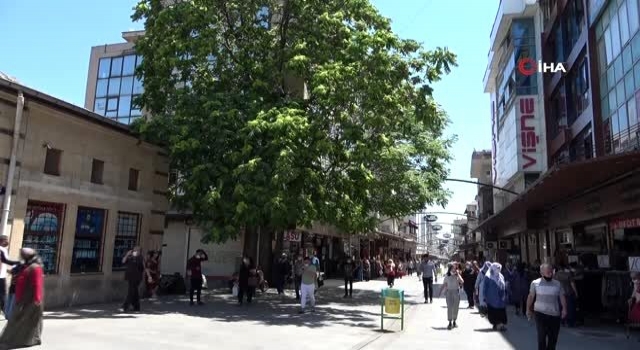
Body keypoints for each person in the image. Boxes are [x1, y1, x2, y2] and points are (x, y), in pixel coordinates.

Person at [0, 248, 44, 348]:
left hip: (29, 299)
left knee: (28, 320)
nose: (21, 257)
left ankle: (31, 339)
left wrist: (37, 300)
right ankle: (18, 339)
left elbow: (37, 284)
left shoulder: (35, 267)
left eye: (22, 255)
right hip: (20, 297)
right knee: (19, 319)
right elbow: (9, 263)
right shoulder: (24, 265)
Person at [527, 263, 567, 350]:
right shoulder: (535, 283)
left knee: (553, 338)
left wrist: (564, 309)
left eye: (551, 272)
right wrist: (528, 309)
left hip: (554, 314)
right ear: (542, 273)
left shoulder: (557, 284)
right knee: (541, 337)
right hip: (540, 314)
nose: (550, 274)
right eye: (548, 272)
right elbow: (530, 296)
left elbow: (562, 296)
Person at [483, 262, 508, 331]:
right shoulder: (488, 277)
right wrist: (484, 298)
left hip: (501, 298)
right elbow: (484, 288)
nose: (498, 270)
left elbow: (504, 286)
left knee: (501, 312)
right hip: (491, 298)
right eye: (497, 268)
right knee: (493, 312)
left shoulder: (501, 276)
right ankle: (497, 324)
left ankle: (501, 324)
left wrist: (505, 294)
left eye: (499, 268)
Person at [554, 261, 578, 327]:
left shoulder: (555, 275)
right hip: (568, 293)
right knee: (570, 308)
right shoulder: (568, 274)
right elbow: (572, 284)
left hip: (560, 293)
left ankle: (562, 321)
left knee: (561, 307)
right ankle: (569, 322)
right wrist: (576, 292)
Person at [440, 263, 464, 329]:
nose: (454, 269)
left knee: (456, 307)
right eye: (452, 268)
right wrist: (441, 292)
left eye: (455, 268)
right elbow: (444, 284)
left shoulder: (457, 275)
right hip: (449, 293)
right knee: (449, 307)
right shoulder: (447, 276)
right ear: (450, 268)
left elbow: (462, 281)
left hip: (456, 292)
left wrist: (458, 274)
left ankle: (454, 321)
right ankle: (450, 322)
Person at [121, 246, 144, 312]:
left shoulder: (141, 258)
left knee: (131, 291)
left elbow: (144, 267)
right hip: (130, 276)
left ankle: (125, 306)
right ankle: (137, 307)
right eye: (134, 249)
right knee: (135, 292)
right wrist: (127, 254)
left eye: (137, 250)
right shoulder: (130, 257)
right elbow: (123, 261)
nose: (135, 251)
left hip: (137, 277)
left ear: (140, 251)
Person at [0, 236, 18, 316]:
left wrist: (7, 270)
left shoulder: (4, 250)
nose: (8, 242)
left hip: (2, 275)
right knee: (3, 294)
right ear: (2, 241)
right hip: (1, 276)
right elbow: (3, 261)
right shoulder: (2, 249)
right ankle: (3, 310)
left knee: (3, 294)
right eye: (6, 240)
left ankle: (4, 310)